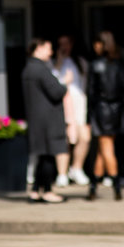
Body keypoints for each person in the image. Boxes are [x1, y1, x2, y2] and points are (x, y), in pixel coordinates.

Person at [21, 38, 70, 204]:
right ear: (39, 48)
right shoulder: (40, 70)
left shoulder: (28, 69)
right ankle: (47, 191)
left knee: (42, 156)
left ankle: (35, 190)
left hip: (37, 120)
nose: (51, 53)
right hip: (48, 121)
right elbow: (56, 92)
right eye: (48, 49)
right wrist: (65, 83)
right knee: (49, 155)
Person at [86, 31, 124, 201]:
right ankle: (93, 186)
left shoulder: (96, 65)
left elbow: (91, 92)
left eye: (98, 43)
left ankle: (116, 184)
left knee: (106, 148)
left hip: (101, 109)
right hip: (116, 110)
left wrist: (87, 116)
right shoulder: (120, 64)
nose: (95, 47)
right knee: (102, 149)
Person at [52, 34, 91, 186]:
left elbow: (85, 84)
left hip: (79, 103)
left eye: (66, 43)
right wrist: (59, 62)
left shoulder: (81, 63)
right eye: (61, 44)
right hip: (62, 104)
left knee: (84, 137)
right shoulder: (54, 63)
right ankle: (62, 173)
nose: (64, 47)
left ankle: (77, 168)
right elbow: (53, 81)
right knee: (65, 138)